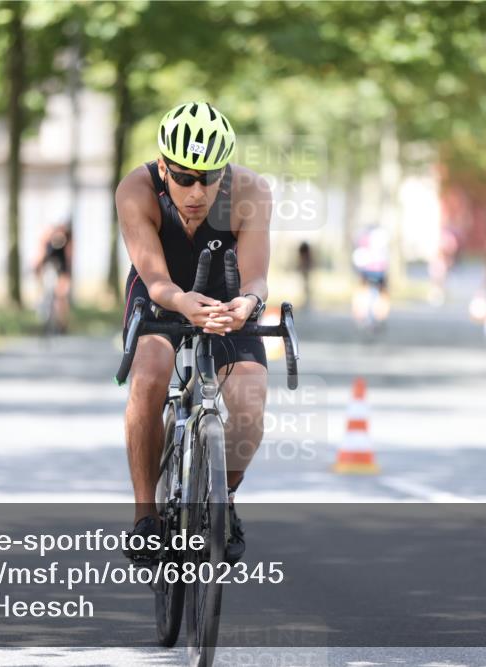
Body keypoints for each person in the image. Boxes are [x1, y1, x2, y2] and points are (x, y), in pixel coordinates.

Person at [115, 101, 271, 565]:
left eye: (210, 176)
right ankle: (146, 517)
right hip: (161, 290)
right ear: (163, 168)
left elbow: (257, 279)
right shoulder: (135, 190)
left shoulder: (252, 191)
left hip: (226, 295)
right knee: (150, 372)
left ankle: (222, 501)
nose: (197, 191)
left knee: (249, 394)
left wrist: (247, 304)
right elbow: (158, 281)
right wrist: (181, 301)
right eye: (184, 177)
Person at [32, 220, 74, 332]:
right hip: (49, 269)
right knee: (45, 292)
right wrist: (37, 270)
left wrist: (66, 276)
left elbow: (68, 258)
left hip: (61, 269)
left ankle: (62, 324)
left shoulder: (67, 239)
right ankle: (45, 318)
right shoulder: (46, 239)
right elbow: (39, 256)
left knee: (61, 297)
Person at [350, 224, 390, 333]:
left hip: (368, 271)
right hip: (377, 271)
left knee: (366, 293)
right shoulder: (380, 238)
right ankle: (374, 317)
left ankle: (369, 317)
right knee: (375, 295)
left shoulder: (364, 238)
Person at [296, 241, 314, 311]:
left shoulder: (306, 252)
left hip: (306, 269)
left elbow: (307, 261)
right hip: (305, 269)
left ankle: (307, 301)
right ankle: (306, 300)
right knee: (306, 284)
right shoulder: (303, 251)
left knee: (307, 285)